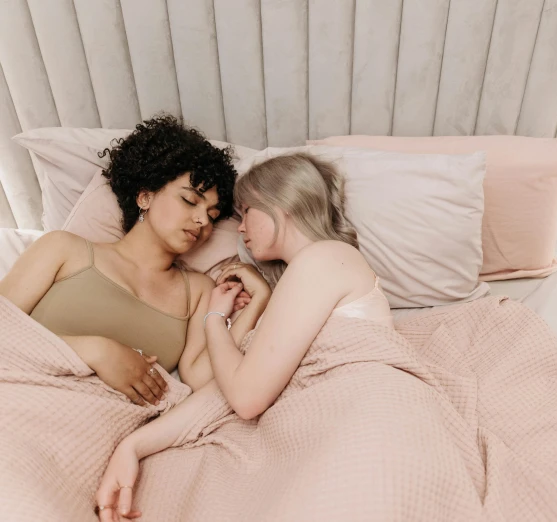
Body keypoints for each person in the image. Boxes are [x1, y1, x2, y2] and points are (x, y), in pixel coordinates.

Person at [93, 152, 394, 521]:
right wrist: (134, 445)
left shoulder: (327, 258)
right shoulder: (301, 279)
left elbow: (246, 396)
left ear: (280, 203)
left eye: (245, 210)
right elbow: (217, 387)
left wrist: (217, 319)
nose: (238, 228)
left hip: (360, 419)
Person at [0, 115, 262, 404]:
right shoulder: (63, 249)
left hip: (101, 431)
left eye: (212, 216)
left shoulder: (199, 290)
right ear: (145, 197)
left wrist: (260, 298)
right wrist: (96, 351)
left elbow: (200, 378)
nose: (202, 220)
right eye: (189, 201)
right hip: (18, 399)